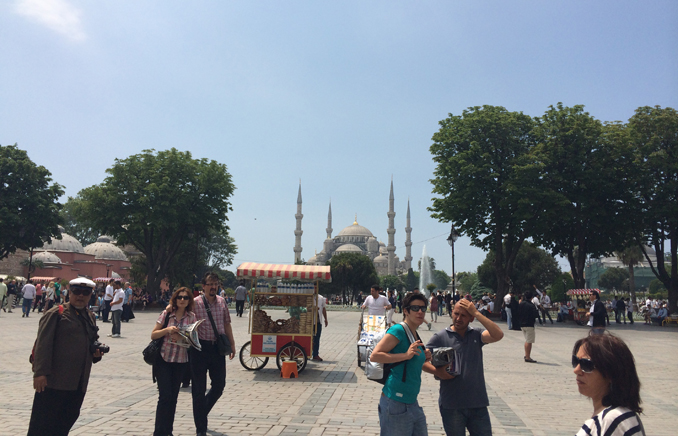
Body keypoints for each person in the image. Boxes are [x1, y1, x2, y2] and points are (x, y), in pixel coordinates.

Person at [27, 277, 105, 436]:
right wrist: (40, 373)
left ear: (91, 295)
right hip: (54, 382)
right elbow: (43, 344)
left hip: (78, 382)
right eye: (76, 292)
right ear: (69, 292)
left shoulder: (89, 316)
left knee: (64, 424)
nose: (80, 296)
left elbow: (89, 342)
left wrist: (96, 354)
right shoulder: (57, 313)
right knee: (42, 426)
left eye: (85, 293)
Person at [424, 298, 504, 436]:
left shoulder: (477, 335)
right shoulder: (440, 337)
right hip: (452, 404)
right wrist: (438, 372)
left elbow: (498, 335)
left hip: (478, 403)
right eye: (456, 314)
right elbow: (420, 360)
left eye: (464, 315)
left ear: (471, 319)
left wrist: (477, 313)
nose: (458, 318)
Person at [370, 292, 432, 436]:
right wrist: (406, 355)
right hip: (396, 402)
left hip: (411, 402)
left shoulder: (413, 332)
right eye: (415, 308)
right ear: (406, 311)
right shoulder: (398, 330)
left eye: (423, 308)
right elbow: (375, 356)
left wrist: (424, 356)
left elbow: (413, 359)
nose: (420, 312)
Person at [188, 272, 236, 436]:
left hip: (217, 349)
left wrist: (232, 344)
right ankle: (200, 428)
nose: (213, 287)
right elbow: (183, 315)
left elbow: (227, 324)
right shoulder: (195, 303)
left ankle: (201, 412)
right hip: (199, 349)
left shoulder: (222, 302)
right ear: (203, 286)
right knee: (199, 389)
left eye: (216, 284)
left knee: (219, 386)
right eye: (210, 284)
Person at [573, 333, 645, 435]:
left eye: (586, 364)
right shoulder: (612, 416)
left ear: (611, 373)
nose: (576, 370)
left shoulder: (613, 420)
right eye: (575, 361)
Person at [152, 287, 197, 436]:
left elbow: (194, 341)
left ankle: (168, 431)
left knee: (173, 398)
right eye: (180, 297)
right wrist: (167, 330)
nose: (182, 300)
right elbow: (153, 334)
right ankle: (159, 432)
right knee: (164, 396)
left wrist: (182, 338)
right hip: (164, 359)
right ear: (175, 299)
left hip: (180, 361)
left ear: (189, 300)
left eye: (185, 297)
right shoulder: (167, 314)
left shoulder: (191, 317)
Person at [519, 292, 539, 363]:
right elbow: (536, 315)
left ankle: (526, 354)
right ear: (531, 298)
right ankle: (528, 357)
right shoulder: (531, 305)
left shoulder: (521, 304)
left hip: (522, 324)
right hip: (529, 324)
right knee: (529, 341)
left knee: (527, 340)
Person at [313, 293, 328, 361]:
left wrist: (326, 319)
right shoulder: (308, 296)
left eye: (316, 288)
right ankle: (308, 353)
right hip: (310, 321)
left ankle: (315, 354)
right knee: (310, 338)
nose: (314, 289)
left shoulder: (321, 298)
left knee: (317, 338)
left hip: (318, 321)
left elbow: (323, 309)